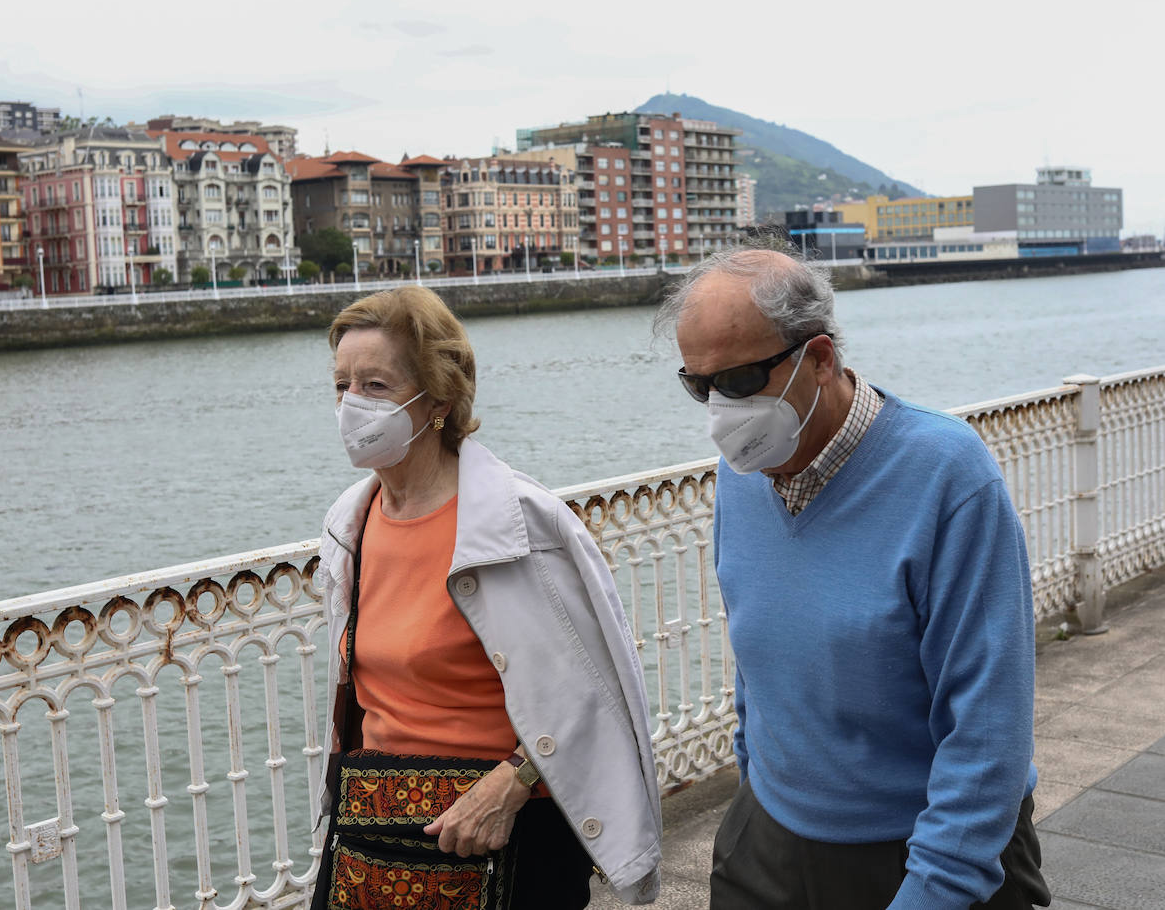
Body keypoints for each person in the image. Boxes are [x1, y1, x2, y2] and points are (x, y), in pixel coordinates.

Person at [659, 246, 1051, 909]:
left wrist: (937, 887)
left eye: (740, 380)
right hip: (767, 841)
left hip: (924, 856)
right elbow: (761, 652)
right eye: (699, 385)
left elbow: (988, 734)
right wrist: (754, 788)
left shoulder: (947, 476)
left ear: (820, 358)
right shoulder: (741, 473)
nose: (719, 413)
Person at [313, 285, 662, 907]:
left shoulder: (521, 522)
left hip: (506, 830)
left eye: (375, 386)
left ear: (438, 400)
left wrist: (513, 783)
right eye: (342, 385)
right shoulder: (352, 521)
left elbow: (595, 683)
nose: (350, 405)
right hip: (381, 824)